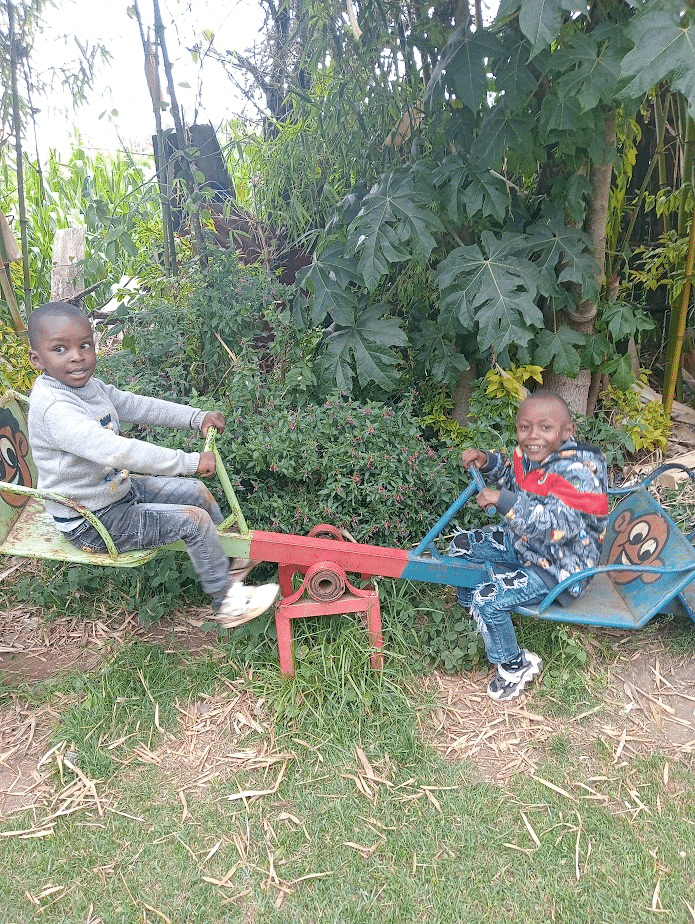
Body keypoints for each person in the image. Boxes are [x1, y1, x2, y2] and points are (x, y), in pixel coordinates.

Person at [26, 301, 279, 629]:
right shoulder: (56, 409)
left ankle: (230, 564)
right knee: (194, 520)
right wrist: (186, 461)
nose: (76, 356)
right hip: (90, 520)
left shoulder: (88, 387)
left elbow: (135, 405)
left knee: (197, 492)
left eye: (84, 345)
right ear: (37, 359)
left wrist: (195, 417)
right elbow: (116, 451)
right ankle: (226, 601)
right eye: (60, 349)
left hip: (115, 493)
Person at [449, 390, 609, 702]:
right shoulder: (531, 455)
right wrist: (488, 462)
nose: (532, 436)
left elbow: (558, 526)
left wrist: (504, 501)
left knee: (489, 598)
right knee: (463, 546)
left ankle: (514, 665)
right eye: (525, 427)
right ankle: (481, 621)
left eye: (545, 428)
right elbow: (514, 474)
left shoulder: (580, 471)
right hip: (525, 545)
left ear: (567, 431)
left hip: (560, 567)